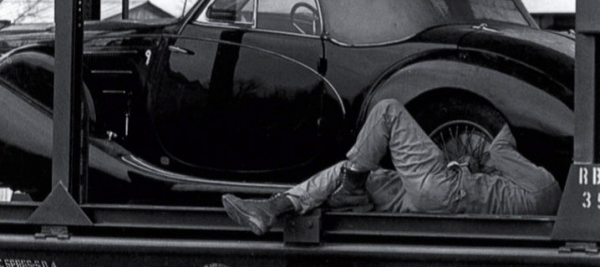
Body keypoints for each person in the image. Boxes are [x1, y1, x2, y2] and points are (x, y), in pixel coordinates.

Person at [222, 99, 562, 236]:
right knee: (352, 170)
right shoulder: (539, 205)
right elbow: (491, 189)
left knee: (388, 111)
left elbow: (500, 149)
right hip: (434, 207)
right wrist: (472, 168)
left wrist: (513, 117)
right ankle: (272, 209)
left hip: (443, 190)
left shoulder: (546, 183)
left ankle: (351, 189)